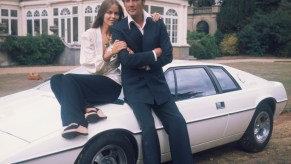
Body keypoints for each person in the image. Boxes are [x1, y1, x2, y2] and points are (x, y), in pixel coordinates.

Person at [111, 0, 194, 163]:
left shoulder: (157, 23)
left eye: (134, 0)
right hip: (135, 88)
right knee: (148, 129)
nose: (131, 4)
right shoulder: (119, 28)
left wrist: (143, 62)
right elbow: (126, 60)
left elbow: (168, 55)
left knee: (178, 123)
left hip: (158, 85)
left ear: (142, 1)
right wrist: (154, 54)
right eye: (126, 1)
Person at [50, 0, 127, 139]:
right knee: (56, 79)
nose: (113, 16)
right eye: (109, 12)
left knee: (68, 78)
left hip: (112, 84)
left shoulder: (121, 36)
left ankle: (77, 123)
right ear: (102, 14)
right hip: (95, 83)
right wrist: (108, 54)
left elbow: (138, 20)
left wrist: (153, 18)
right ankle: (89, 108)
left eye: (116, 13)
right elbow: (87, 63)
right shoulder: (90, 34)